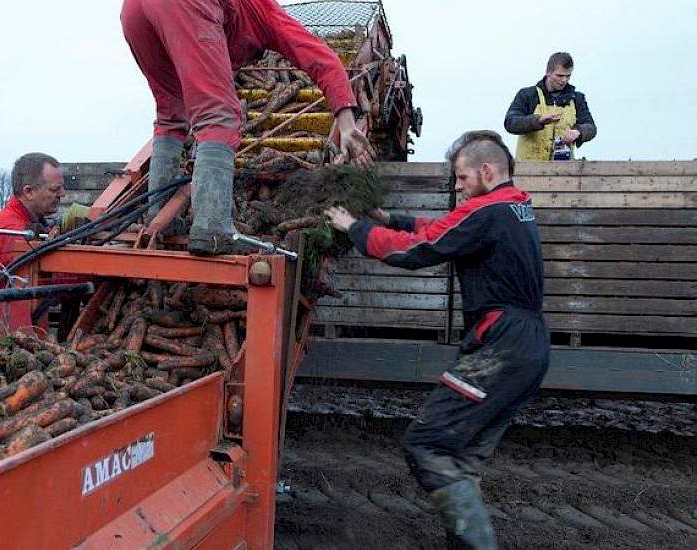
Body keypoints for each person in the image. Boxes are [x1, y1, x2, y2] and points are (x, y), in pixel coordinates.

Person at [325, 131, 550, 549]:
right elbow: (442, 230)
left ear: (486, 171)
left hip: (502, 348)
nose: (458, 187)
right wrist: (390, 219)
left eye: (462, 178)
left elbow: (416, 251)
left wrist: (354, 227)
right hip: (527, 346)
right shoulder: (512, 208)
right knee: (460, 457)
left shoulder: (487, 212)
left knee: (426, 442)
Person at [121, 0, 374, 255]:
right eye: (254, 55)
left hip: (134, 11)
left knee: (171, 116)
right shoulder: (267, 11)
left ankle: (160, 219)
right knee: (220, 115)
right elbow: (323, 59)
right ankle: (213, 229)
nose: (246, 61)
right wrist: (348, 124)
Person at [0, 153, 66, 290]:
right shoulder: (13, 233)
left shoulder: (31, 222)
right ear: (28, 192)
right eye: (54, 189)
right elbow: (36, 284)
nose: (63, 194)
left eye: (62, 187)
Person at [504, 52, 596, 161]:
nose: (564, 80)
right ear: (548, 72)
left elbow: (591, 127)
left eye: (568, 76)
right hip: (528, 170)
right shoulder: (527, 95)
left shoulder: (577, 98)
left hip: (563, 171)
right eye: (560, 75)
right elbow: (510, 122)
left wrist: (578, 131)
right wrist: (538, 121)